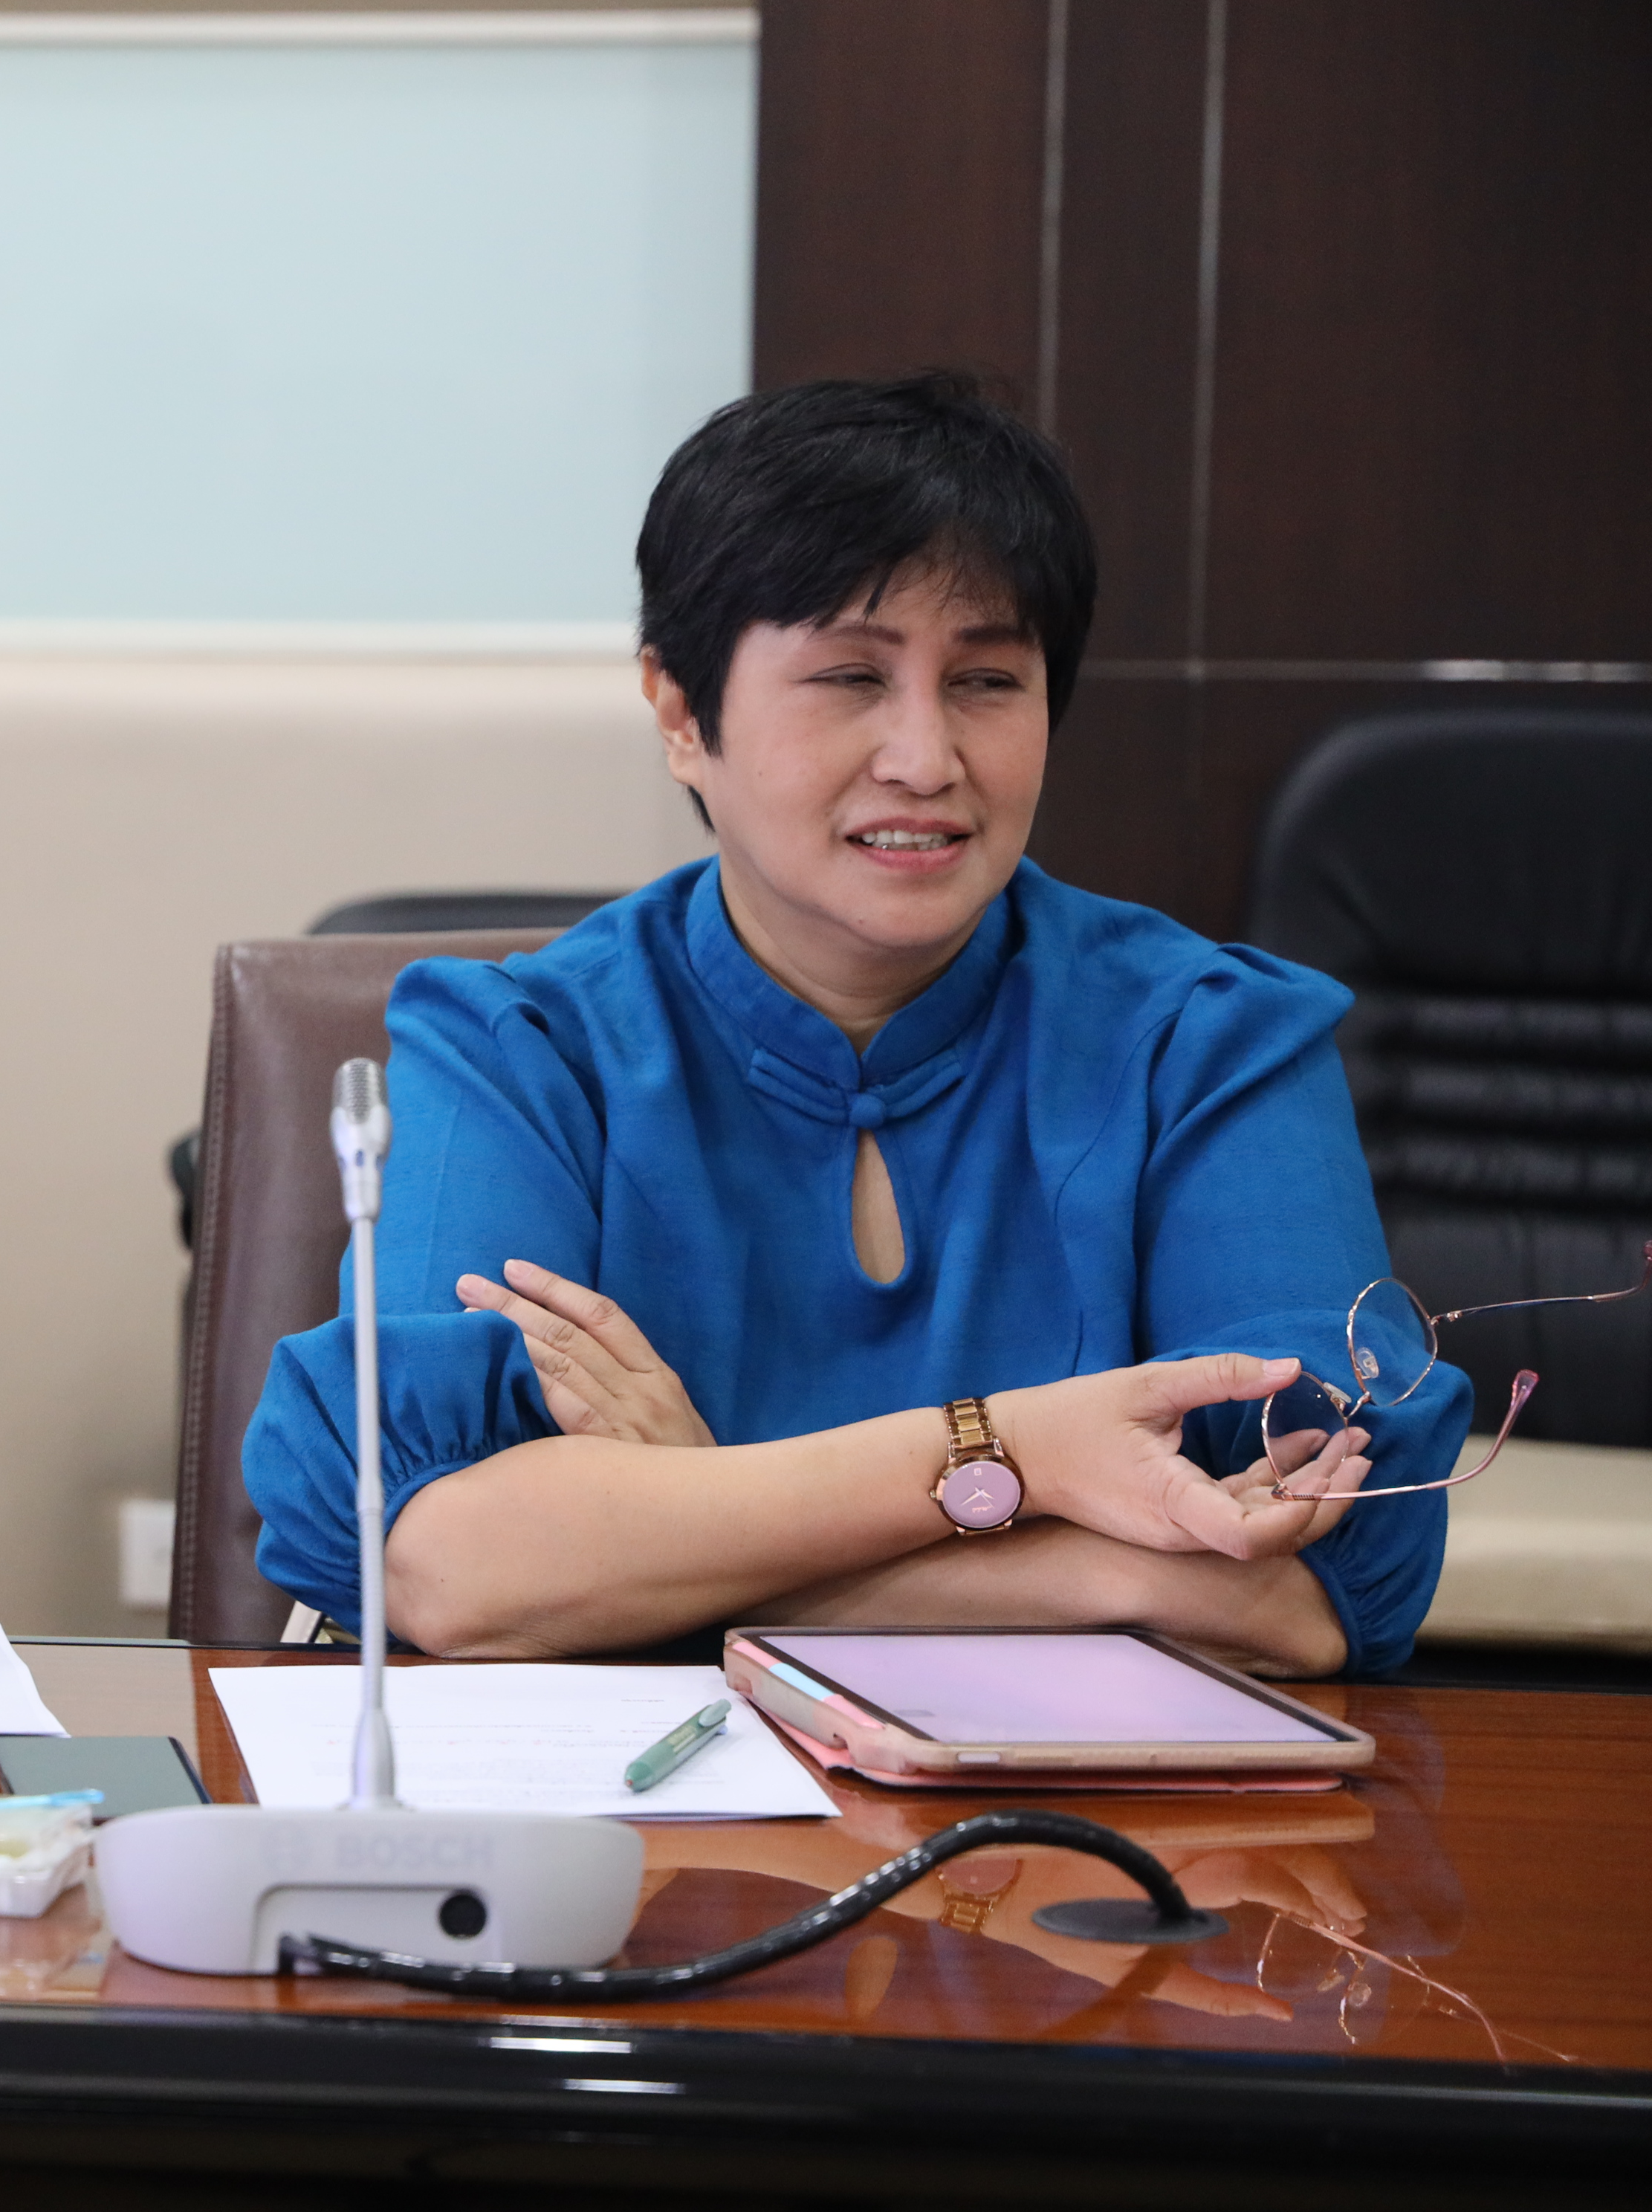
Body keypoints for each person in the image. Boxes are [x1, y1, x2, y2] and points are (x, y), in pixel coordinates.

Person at [244, 374, 1462, 1679]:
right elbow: (448, 1563)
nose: (926, 759)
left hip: (1084, 1801)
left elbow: (1311, 1591)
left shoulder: (1213, 1043)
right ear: (681, 712)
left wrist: (698, 1522)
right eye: (848, 676)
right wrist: (1018, 1460)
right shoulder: (519, 1050)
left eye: (987, 679)